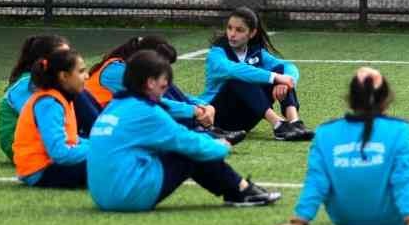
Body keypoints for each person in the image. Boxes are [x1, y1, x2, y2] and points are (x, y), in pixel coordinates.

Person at [271, 68, 409, 225]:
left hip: (344, 220)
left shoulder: (325, 132)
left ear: (350, 99)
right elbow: (405, 178)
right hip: (394, 220)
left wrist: (299, 222)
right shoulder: (401, 129)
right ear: (386, 100)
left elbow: (317, 181)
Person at [87, 49, 281, 211]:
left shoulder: (115, 105)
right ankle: (240, 190)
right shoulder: (148, 112)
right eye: (163, 86)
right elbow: (188, 143)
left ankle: (239, 189)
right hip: (127, 196)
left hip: (101, 195)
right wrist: (220, 147)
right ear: (150, 83)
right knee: (191, 150)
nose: (164, 92)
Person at [84, 34, 241, 142]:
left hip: (121, 119)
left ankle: (201, 130)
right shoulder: (118, 71)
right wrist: (194, 111)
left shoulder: (134, 69)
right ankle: (198, 131)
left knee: (166, 84)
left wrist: (204, 105)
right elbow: (155, 103)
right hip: (101, 125)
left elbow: (168, 94)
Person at [198, 7, 313, 141]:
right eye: (230, 28)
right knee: (239, 78)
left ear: (252, 33)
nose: (232, 34)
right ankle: (278, 125)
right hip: (216, 117)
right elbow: (234, 70)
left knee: (282, 75)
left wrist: (286, 82)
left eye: (239, 30)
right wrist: (275, 77)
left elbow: (288, 66)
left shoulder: (257, 53)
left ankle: (295, 123)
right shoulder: (217, 53)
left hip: (244, 120)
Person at [12, 48, 90, 190]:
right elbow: (60, 153)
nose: (87, 76)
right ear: (64, 76)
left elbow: (73, 139)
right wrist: (99, 148)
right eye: (81, 71)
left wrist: (102, 142)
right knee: (109, 162)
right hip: (41, 171)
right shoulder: (49, 103)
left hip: (51, 165)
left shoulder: (63, 98)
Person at [0, 33, 67, 160]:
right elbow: (40, 120)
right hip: (20, 146)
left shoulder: (51, 81)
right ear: (43, 61)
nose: (69, 59)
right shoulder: (26, 84)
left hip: (39, 140)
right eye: (62, 56)